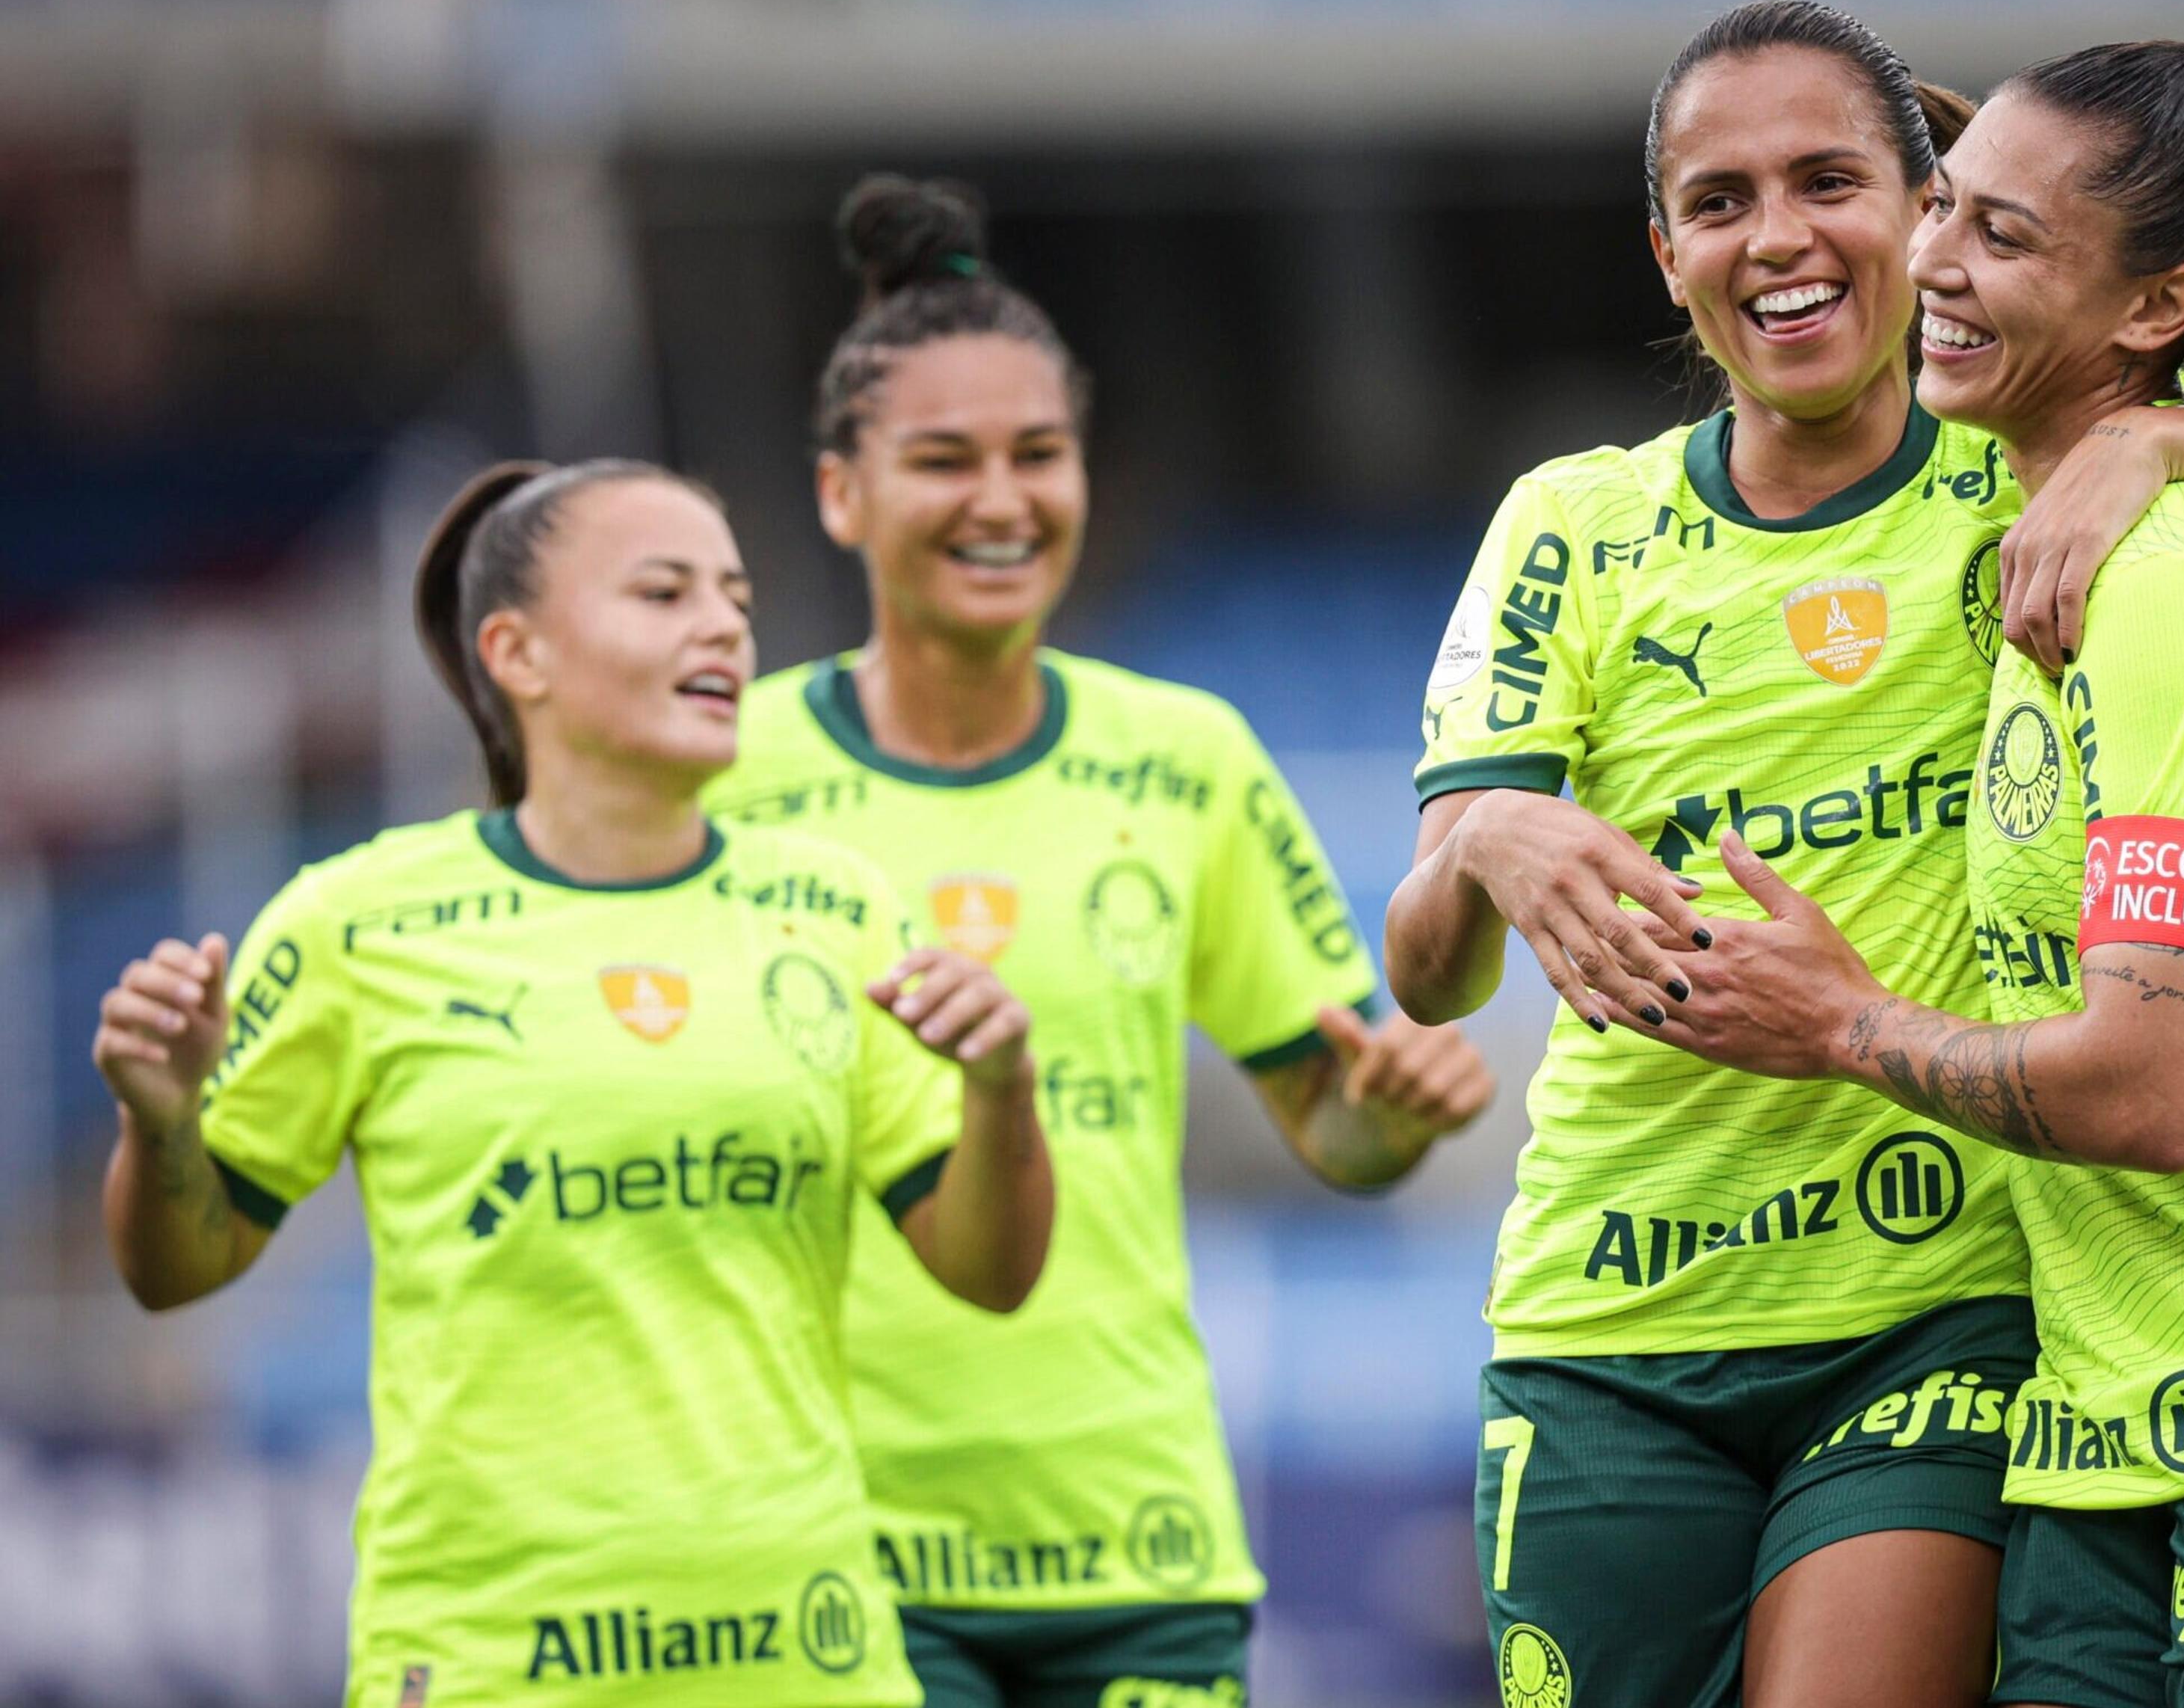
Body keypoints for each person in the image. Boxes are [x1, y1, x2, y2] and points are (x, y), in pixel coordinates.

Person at [1385, 0, 2184, 1708]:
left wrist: (2155, 435)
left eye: (1830, 179)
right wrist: (1484, 842)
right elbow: (1423, 969)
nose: (1775, 236)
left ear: (1918, 212)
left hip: (1941, 1304)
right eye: (1717, 200)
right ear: (1664, 252)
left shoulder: (2030, 470)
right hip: (1610, 1313)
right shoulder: (1570, 523)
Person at [705, 175, 1495, 1708]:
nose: (1001, 498)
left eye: (1038, 455)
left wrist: (1384, 1120)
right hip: (828, 1539)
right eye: (942, 459)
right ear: (840, 494)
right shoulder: (726, 778)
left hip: (1131, 1537)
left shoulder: (1184, 756)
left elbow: (1328, 1115)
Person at [93, 460, 1053, 1707]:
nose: (722, 626)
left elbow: (991, 1273)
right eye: (663, 593)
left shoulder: (836, 906)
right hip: (495, 1661)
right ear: (519, 654)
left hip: (809, 1654)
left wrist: (1001, 1092)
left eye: (736, 600)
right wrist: (158, 1121)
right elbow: (176, 1269)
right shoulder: (355, 921)